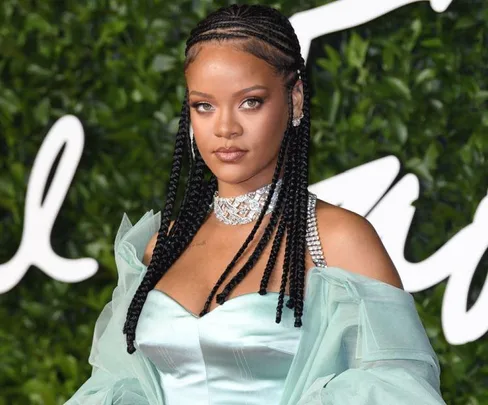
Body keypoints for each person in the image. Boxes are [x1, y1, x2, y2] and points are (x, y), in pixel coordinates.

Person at [66, 4, 446, 405]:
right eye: (204, 106)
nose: (226, 128)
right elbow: (114, 386)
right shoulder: (160, 246)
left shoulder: (337, 239)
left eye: (250, 102)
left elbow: (397, 391)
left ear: (295, 99)